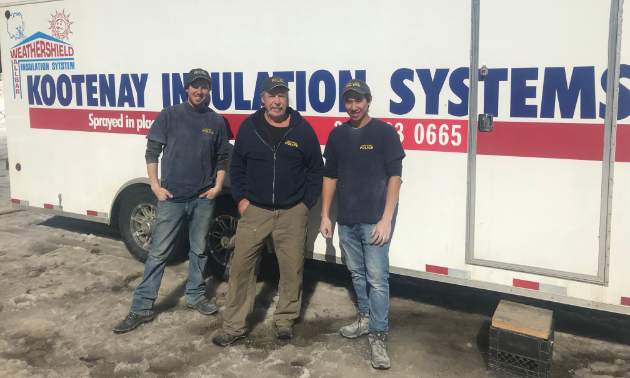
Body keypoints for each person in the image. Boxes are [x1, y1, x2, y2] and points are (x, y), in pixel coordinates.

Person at [113, 68, 230, 333]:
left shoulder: (216, 121)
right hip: (172, 198)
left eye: (205, 87)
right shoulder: (169, 115)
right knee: (158, 253)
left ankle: (196, 296)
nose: (200, 91)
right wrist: (155, 186)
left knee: (199, 250)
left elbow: (223, 157)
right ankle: (141, 307)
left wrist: (217, 186)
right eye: (195, 86)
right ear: (187, 88)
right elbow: (152, 151)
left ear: (209, 91)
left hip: (203, 199)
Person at [212, 76, 323, 346]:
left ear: (287, 99)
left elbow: (316, 169)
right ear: (262, 98)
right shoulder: (249, 128)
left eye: (281, 95)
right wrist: (240, 200)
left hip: (291, 213)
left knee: (292, 268)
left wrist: (305, 204)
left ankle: (285, 319)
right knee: (241, 269)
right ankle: (234, 326)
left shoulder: (302, 129)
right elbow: (237, 168)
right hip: (255, 211)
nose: (277, 100)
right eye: (271, 95)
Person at [319, 79, 405, 369]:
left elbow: (395, 177)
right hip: (347, 222)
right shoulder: (337, 135)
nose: (353, 106)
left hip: (374, 223)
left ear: (369, 100)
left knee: (378, 281)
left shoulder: (384, 132)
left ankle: (379, 336)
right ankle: (366, 320)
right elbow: (330, 175)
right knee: (357, 275)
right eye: (348, 101)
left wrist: (386, 219)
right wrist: (326, 215)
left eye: (358, 100)